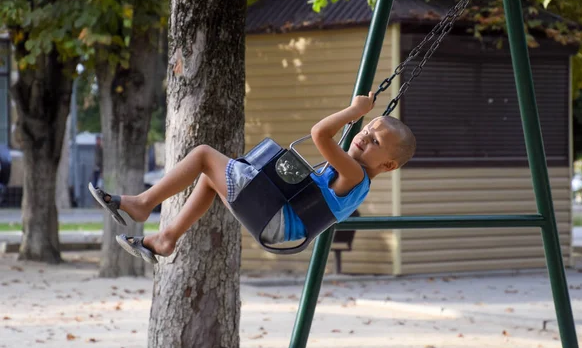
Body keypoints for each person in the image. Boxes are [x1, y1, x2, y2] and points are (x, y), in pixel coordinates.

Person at [88, 92, 416, 264]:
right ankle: (166, 238)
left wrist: (355, 112)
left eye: (375, 142)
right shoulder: (355, 173)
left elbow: (320, 134)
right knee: (210, 178)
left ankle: (143, 204)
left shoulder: (355, 174)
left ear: (387, 165)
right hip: (279, 218)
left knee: (204, 154)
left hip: (276, 217)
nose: (364, 136)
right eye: (369, 129)